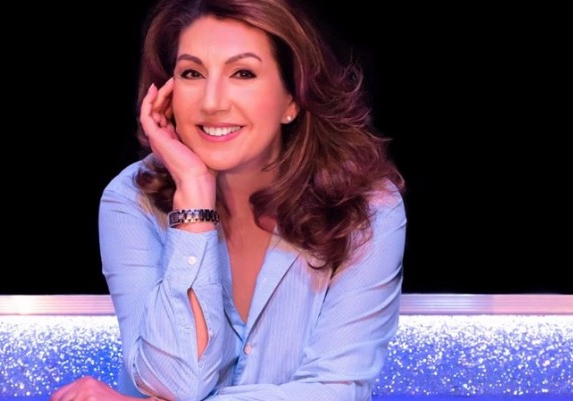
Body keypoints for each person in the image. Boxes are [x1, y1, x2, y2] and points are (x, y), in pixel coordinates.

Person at [50, 0, 406, 400]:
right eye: (192, 73)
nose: (212, 102)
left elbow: (335, 392)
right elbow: (174, 382)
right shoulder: (131, 201)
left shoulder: (367, 208)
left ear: (292, 99)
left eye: (242, 73)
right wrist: (194, 199)